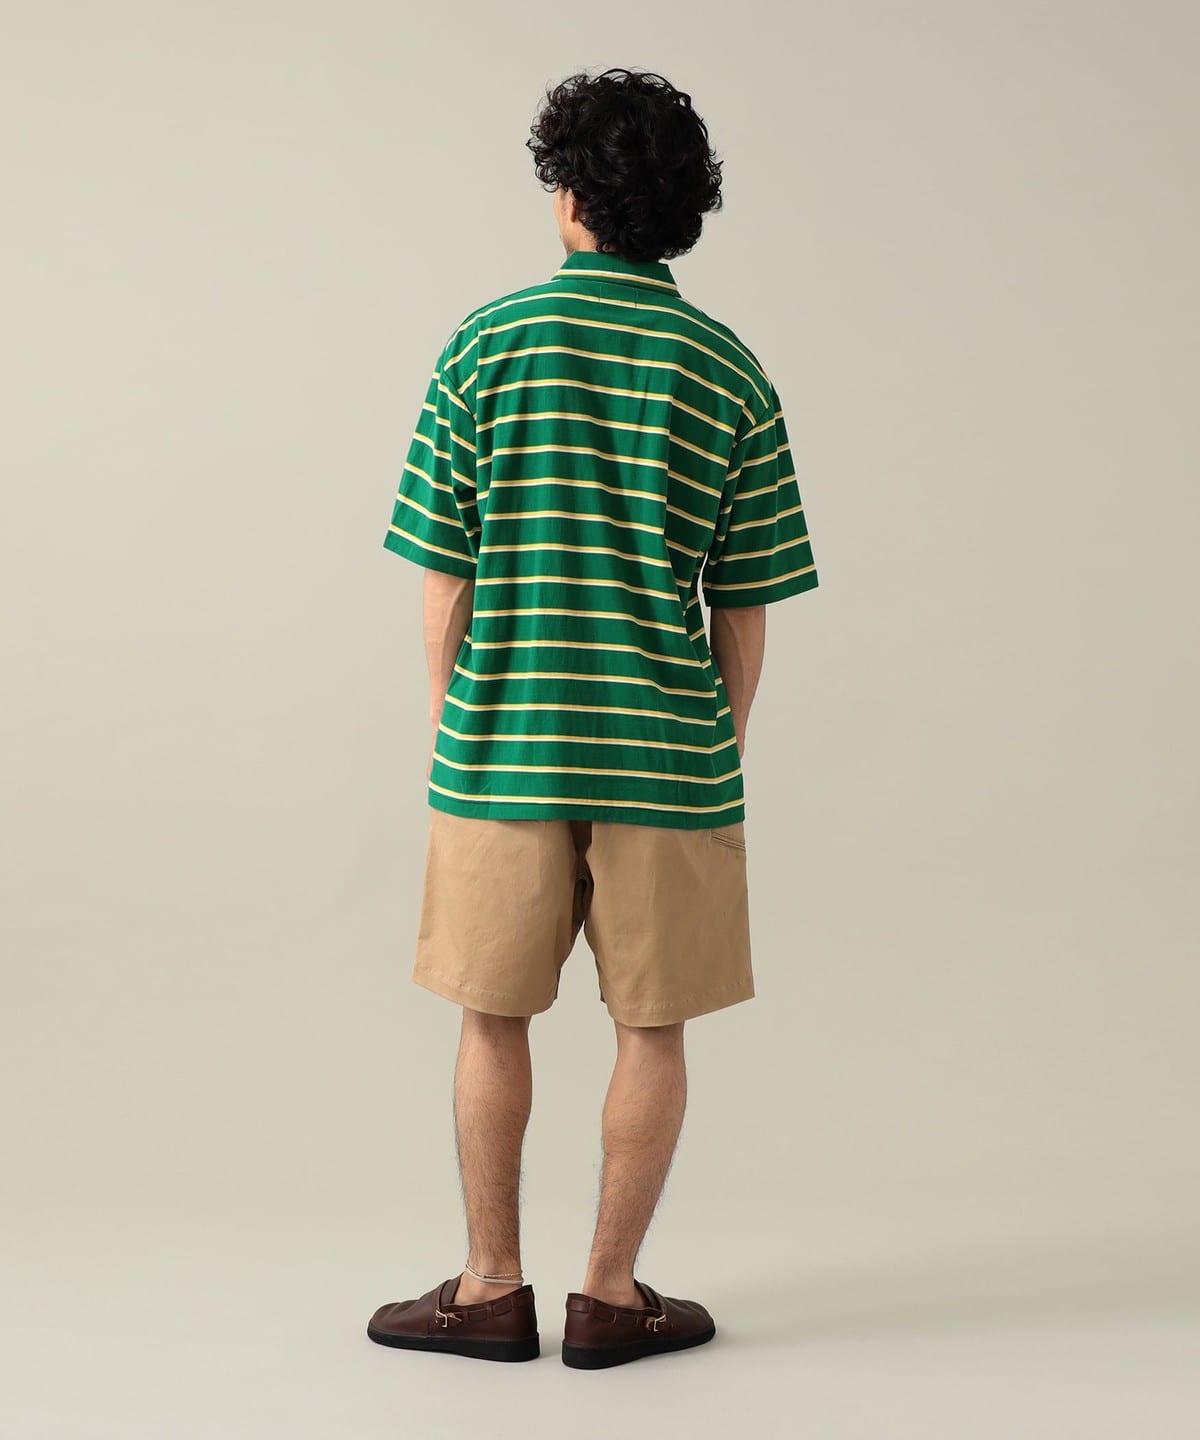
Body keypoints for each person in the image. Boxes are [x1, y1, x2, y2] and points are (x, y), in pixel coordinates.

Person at [367, 67, 819, 1369]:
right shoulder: (729, 370)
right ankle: (611, 1298)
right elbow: (744, 606)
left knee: (489, 1018)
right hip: (668, 758)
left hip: (503, 746)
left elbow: (445, 578)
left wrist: (462, 722)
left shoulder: (485, 344)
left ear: (567, 194)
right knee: (651, 1028)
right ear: (682, 209)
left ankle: (489, 1288)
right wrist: (715, 746)